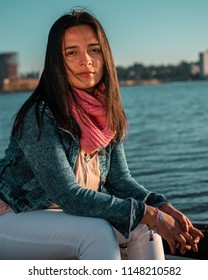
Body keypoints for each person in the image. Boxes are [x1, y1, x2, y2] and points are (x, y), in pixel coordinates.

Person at [0, 9, 203, 260]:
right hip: (12, 215)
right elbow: (69, 195)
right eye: (71, 52)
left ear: (105, 55)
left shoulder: (105, 112)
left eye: (94, 50)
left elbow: (120, 181)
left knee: (142, 228)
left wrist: (162, 206)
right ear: (56, 62)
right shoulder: (41, 115)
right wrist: (148, 212)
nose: (86, 60)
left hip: (55, 215)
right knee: (98, 231)